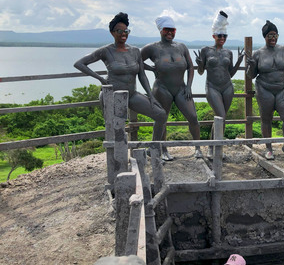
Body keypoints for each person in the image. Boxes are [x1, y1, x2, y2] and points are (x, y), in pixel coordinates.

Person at [74, 12, 167, 144]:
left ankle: (154, 149)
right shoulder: (106, 50)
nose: (123, 34)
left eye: (126, 31)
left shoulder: (135, 51)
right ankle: (117, 161)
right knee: (117, 130)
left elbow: (141, 75)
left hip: (132, 94)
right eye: (119, 31)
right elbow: (79, 63)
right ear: (112, 32)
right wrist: (100, 79)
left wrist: (151, 97)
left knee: (161, 115)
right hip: (112, 95)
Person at [141, 15, 202, 160]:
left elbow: (191, 67)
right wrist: (151, 68)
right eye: (166, 30)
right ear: (161, 30)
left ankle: (198, 148)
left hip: (181, 88)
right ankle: (163, 149)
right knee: (162, 119)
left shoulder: (181, 47)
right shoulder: (152, 48)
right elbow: (135, 61)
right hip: (162, 88)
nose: (170, 33)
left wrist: (189, 87)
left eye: (172, 30)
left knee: (193, 117)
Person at [194, 11, 244, 159]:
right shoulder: (205, 50)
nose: (222, 38)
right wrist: (200, 64)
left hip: (228, 87)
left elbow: (231, 73)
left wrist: (240, 61)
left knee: (221, 118)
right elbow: (201, 72)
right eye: (219, 35)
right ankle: (214, 148)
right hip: (212, 87)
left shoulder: (228, 52)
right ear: (213, 36)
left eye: (224, 36)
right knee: (221, 116)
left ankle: (214, 147)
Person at [246, 20, 284, 162]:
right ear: (265, 37)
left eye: (275, 35)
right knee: (266, 119)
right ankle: (269, 148)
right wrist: (251, 66)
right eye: (270, 36)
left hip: (282, 89)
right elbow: (251, 75)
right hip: (264, 89)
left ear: (278, 36)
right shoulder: (258, 53)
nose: (273, 38)